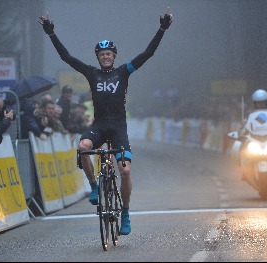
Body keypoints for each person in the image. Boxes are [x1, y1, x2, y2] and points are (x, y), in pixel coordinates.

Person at [39, 7, 173, 235]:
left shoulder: (124, 71)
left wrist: (161, 29)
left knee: (126, 172)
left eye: (109, 53)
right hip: (99, 125)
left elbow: (147, 54)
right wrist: (52, 34)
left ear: (114, 56)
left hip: (119, 127)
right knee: (82, 147)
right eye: (102, 54)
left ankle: (126, 213)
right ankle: (93, 187)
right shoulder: (91, 73)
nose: (105, 56)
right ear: (98, 58)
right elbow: (66, 57)